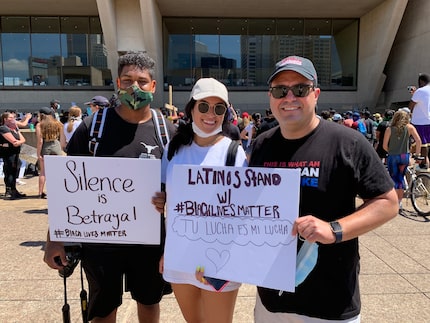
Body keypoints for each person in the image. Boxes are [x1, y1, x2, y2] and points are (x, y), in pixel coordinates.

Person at [249, 55, 398, 322]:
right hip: (272, 298)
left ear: (316, 94)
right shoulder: (261, 145)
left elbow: (387, 202)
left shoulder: (348, 143)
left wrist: (334, 229)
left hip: (331, 301)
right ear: (271, 97)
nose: (289, 97)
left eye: (300, 89)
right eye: (280, 90)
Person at [43, 51, 176, 323]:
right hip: (101, 240)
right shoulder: (93, 128)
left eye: (142, 81)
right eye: (127, 80)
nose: (134, 87)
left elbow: (180, 187)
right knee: (103, 311)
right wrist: (53, 239)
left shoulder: (167, 132)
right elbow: (67, 187)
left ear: (153, 86)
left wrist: (170, 200)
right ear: (117, 82)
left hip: (148, 241)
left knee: (149, 303)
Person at [152, 78, 247, 323]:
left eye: (219, 108)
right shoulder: (175, 148)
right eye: (204, 106)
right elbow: (166, 198)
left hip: (219, 258)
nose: (211, 115)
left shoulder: (234, 154)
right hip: (180, 256)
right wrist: (161, 202)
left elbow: (246, 210)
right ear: (191, 108)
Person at [382, 110, 421, 209]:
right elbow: (418, 140)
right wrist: (417, 154)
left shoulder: (389, 129)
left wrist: (391, 151)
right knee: (400, 177)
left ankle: (395, 202)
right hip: (404, 156)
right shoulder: (410, 127)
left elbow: (384, 145)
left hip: (393, 156)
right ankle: (399, 201)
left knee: (394, 178)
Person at [36, 107, 66, 198]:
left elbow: (40, 141)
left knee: (43, 172)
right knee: (58, 171)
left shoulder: (39, 125)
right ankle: (58, 191)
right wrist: (61, 148)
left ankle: (40, 193)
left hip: (46, 146)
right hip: (56, 145)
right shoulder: (58, 123)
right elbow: (62, 138)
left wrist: (38, 154)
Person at [0, 112, 27, 199]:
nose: (13, 119)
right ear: (5, 119)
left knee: (15, 169)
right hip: (8, 153)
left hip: (15, 152)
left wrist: (19, 142)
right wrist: (17, 142)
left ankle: (14, 189)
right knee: (9, 170)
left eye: (14, 117)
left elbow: (23, 139)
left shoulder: (15, 128)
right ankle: (9, 190)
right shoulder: (3, 128)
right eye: (11, 118)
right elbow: (13, 142)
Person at [408, 73, 430, 170]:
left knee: (422, 143)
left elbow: (411, 105)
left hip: (420, 122)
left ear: (421, 81)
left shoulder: (420, 91)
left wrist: (408, 114)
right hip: (428, 120)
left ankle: (423, 163)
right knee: (427, 143)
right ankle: (425, 162)